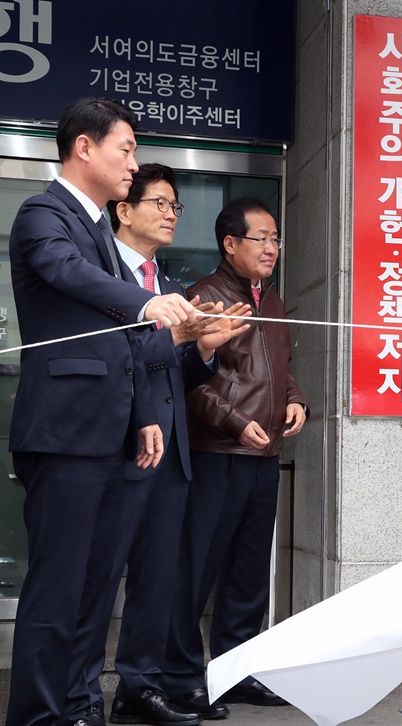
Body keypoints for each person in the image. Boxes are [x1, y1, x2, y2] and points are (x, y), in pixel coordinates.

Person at [6, 98, 197, 726]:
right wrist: (147, 303)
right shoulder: (44, 214)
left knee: (93, 589)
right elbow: (65, 275)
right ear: (84, 148)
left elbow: (116, 341)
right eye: (126, 149)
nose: (132, 163)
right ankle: (37, 716)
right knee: (57, 591)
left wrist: (145, 410)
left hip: (112, 433)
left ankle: (77, 705)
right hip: (65, 433)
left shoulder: (97, 230)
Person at [80, 164, 251, 726]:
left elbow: (176, 374)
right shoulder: (100, 280)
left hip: (170, 452)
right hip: (116, 446)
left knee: (158, 579)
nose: (171, 214)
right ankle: (81, 697)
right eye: (160, 203)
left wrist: (205, 348)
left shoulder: (173, 288)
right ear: (123, 210)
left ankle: (140, 687)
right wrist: (174, 337)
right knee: (97, 578)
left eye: (176, 206)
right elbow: (113, 364)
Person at [161, 197, 309, 718]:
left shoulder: (271, 298)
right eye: (261, 238)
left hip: (264, 454)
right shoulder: (202, 296)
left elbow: (280, 366)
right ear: (230, 243)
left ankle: (236, 671)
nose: (271, 248)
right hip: (217, 454)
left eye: (275, 239)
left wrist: (295, 400)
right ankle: (181, 679)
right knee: (196, 570)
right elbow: (188, 383)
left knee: (249, 573)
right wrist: (233, 421)